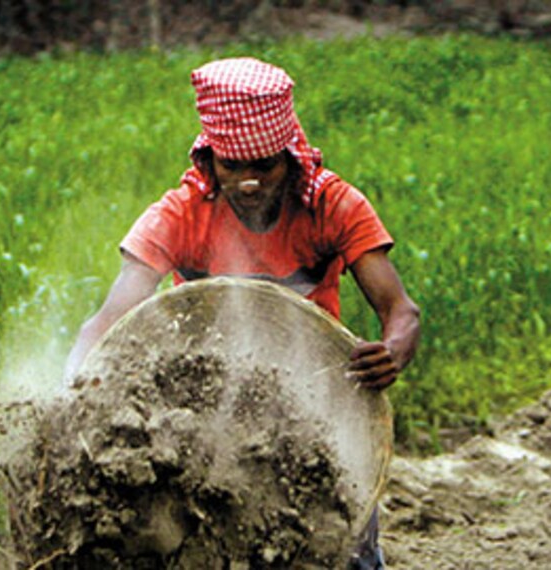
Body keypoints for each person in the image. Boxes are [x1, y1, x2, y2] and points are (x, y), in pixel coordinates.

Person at [65, 57, 420, 570]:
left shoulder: (332, 206)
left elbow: (401, 311)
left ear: (290, 160)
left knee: (343, 543)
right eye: (233, 167)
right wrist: (72, 392)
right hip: (202, 401)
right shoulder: (180, 215)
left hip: (315, 393)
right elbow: (105, 323)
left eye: (264, 166)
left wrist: (392, 351)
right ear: (210, 162)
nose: (249, 182)